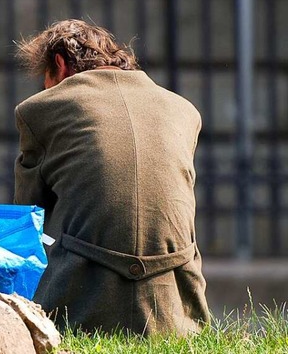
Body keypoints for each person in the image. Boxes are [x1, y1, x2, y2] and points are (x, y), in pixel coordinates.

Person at [13, 19, 210, 335]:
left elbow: (27, 218)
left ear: (60, 64)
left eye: (45, 79)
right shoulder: (183, 110)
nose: (45, 89)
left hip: (78, 313)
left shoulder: (41, 109)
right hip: (176, 314)